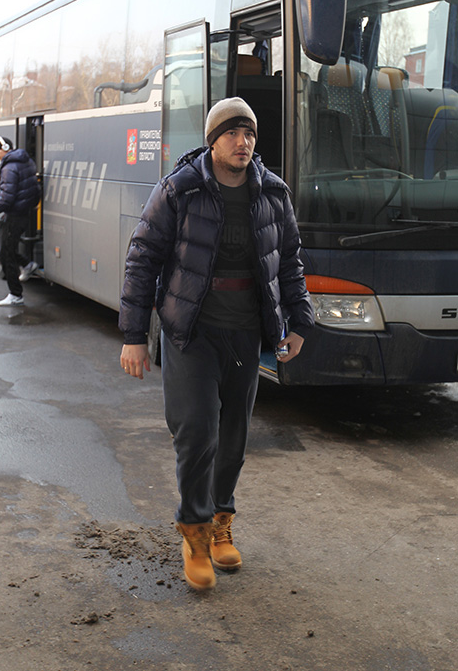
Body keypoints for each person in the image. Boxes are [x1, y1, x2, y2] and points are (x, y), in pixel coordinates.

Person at [119, 97, 315, 591]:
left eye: (248, 134)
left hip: (245, 332)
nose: (242, 142)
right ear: (212, 140)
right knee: (198, 430)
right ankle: (195, 532)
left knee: (233, 438)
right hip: (192, 331)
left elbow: (290, 261)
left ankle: (221, 519)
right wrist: (134, 336)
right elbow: (142, 259)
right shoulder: (179, 189)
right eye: (231, 133)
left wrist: (298, 322)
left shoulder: (273, 193)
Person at [0, 137, 40, 305]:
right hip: (19, 214)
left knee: (6, 255)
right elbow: (35, 188)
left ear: (4, 148)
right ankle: (26, 264)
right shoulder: (26, 161)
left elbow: (6, 198)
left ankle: (16, 295)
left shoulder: (9, 167)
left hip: (14, 216)